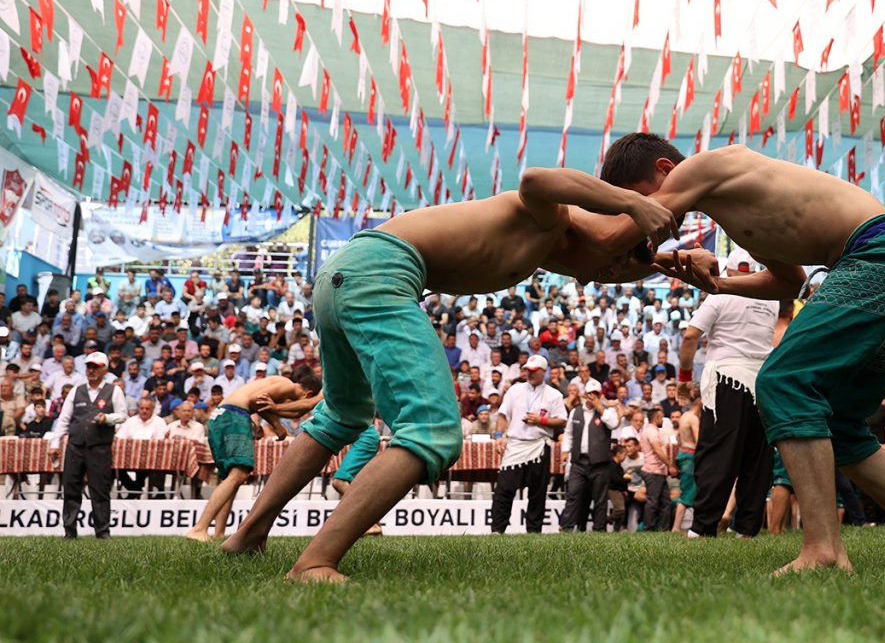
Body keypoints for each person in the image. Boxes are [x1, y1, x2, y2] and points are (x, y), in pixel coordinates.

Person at [221, 179, 677, 579]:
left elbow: (622, 258)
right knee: (433, 430)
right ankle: (314, 562)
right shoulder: (552, 216)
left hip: (345, 275)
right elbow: (538, 178)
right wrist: (632, 204)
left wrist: (671, 262)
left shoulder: (544, 243)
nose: (605, 277)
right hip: (379, 275)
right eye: (610, 264)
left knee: (342, 414)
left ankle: (246, 536)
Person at [576, 133, 885, 571]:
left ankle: (824, 551)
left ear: (666, 170)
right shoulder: (738, 218)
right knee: (840, 420)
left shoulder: (707, 164)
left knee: (781, 380)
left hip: (881, 256)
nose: (646, 213)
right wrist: (714, 284)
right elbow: (788, 283)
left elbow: (615, 240)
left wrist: (570, 222)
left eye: (641, 200)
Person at [678, 248, 779, 539]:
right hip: (762, 380)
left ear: (730, 271)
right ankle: (747, 528)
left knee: (717, 452)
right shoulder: (769, 298)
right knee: (757, 456)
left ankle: (703, 526)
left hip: (727, 378)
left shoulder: (720, 294)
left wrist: (685, 378)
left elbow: (690, 336)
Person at [187, 373, 323, 542]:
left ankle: (219, 532)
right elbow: (255, 400)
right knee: (239, 474)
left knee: (232, 477)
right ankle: (199, 528)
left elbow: (259, 403)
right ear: (307, 394)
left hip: (222, 416)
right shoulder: (287, 385)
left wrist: (276, 425)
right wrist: (277, 425)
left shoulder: (277, 383)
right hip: (234, 416)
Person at [47, 352, 128, 539]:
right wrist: (55, 443)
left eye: (96, 366)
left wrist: (107, 418)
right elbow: (64, 419)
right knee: (71, 487)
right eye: (89, 366)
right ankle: (69, 531)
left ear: (104, 369)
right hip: (75, 445)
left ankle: (102, 532)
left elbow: (123, 415)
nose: (91, 370)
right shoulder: (76, 390)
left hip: (100, 447)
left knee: (100, 490)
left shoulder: (114, 390)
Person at [491, 355, 567, 534]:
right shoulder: (515, 390)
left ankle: (533, 531)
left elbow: (562, 420)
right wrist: (500, 436)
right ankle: (497, 529)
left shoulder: (553, 394)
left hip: (539, 445)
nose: (529, 373)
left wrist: (541, 420)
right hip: (515, 444)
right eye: (527, 370)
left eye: (533, 371)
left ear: (543, 372)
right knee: (504, 489)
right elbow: (503, 415)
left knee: (537, 493)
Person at [559, 377, 619, 532]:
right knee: (573, 495)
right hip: (579, 462)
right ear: (585, 394)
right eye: (590, 393)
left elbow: (613, 423)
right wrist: (565, 450)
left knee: (600, 499)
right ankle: (567, 527)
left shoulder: (608, 412)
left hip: (600, 463)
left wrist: (600, 406)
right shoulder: (575, 412)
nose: (592, 396)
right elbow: (569, 433)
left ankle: (599, 530)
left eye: (595, 394)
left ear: (600, 395)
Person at [330, 426, 385, 537]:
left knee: (339, 481)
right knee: (359, 486)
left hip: (365, 438)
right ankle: (377, 532)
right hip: (366, 437)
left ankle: (371, 525)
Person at [639, 408, 677, 531]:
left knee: (666, 502)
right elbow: (657, 450)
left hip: (658, 472)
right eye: (661, 417)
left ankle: (663, 529)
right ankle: (648, 528)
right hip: (653, 471)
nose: (663, 420)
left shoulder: (653, 431)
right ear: (656, 418)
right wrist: (670, 465)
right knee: (653, 502)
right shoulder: (651, 432)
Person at [671, 391, 701, 532]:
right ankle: (676, 528)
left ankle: (682, 527)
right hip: (689, 457)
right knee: (688, 494)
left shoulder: (684, 416)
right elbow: (699, 441)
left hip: (683, 454)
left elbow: (678, 438)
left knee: (689, 492)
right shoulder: (693, 419)